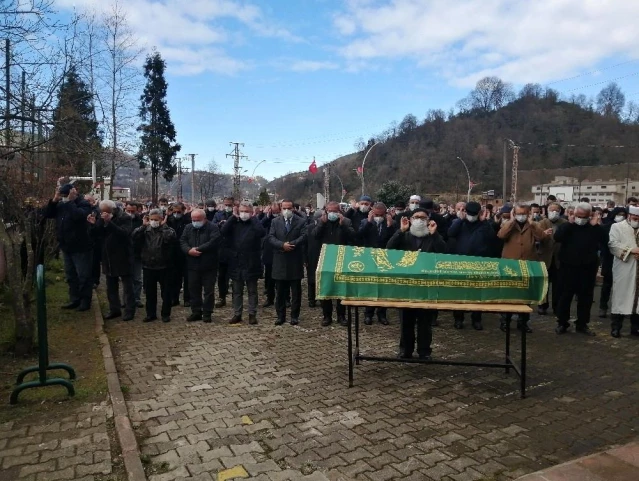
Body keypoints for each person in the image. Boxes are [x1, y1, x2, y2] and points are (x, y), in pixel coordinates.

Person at [387, 208, 446, 359]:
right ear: (411, 219)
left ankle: (424, 351)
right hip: (406, 285)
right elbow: (389, 249)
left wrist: (435, 234)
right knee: (406, 322)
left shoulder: (432, 236)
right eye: (416, 217)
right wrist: (400, 230)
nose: (419, 220)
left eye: (423, 218)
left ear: (428, 221)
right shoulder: (404, 235)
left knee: (425, 323)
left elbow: (444, 253)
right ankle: (405, 351)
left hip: (426, 286)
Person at [497, 203, 551, 333]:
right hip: (510, 265)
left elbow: (542, 237)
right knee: (508, 294)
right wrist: (511, 221)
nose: (521, 216)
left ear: (528, 214)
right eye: (518, 214)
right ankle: (505, 321)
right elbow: (501, 235)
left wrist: (532, 223)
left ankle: (523, 322)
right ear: (514, 214)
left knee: (526, 295)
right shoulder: (509, 224)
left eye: (524, 214)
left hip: (528, 264)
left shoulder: (532, 225)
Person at [554, 202, 603, 336]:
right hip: (568, 267)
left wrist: (596, 225)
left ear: (589, 215)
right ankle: (562, 323)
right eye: (578, 216)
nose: (581, 219)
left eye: (584, 216)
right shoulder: (567, 226)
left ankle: (582, 324)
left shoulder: (593, 228)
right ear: (574, 214)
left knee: (585, 298)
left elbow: (604, 240)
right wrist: (569, 223)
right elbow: (557, 237)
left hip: (587, 268)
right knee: (565, 296)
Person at [447, 201, 498, 330]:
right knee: (459, 292)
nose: (471, 216)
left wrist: (485, 221)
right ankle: (458, 318)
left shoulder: (484, 225)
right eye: (469, 213)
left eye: (474, 214)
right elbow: (450, 233)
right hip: (460, 262)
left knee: (477, 293)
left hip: (478, 263)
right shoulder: (459, 223)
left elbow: (492, 238)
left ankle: (477, 319)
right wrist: (460, 219)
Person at [44, 184, 94, 311]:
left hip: (81, 246)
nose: (64, 197)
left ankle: (85, 301)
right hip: (66, 246)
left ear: (73, 193)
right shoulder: (61, 205)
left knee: (83, 275)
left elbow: (78, 216)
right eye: (64, 195)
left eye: (66, 195)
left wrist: (71, 202)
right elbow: (47, 214)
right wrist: (54, 200)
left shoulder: (83, 204)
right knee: (71, 275)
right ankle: (74, 299)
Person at [88, 200, 135, 321]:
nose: (104, 214)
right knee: (110, 286)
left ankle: (129, 310)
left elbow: (124, 233)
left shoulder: (125, 217)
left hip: (123, 255)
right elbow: (96, 234)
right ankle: (114, 309)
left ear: (112, 210)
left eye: (106, 212)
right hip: (108, 256)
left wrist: (109, 223)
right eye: (102, 212)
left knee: (127, 286)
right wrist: (93, 225)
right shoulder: (101, 217)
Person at [221, 202, 266, 325]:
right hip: (236, 262)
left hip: (251, 262)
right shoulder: (234, 223)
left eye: (246, 211)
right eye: (242, 211)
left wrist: (254, 218)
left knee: (252, 291)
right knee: (237, 291)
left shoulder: (254, 223)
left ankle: (252, 314)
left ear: (251, 212)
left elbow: (261, 232)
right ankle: (237, 313)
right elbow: (223, 231)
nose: (244, 214)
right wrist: (232, 217)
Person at [313, 201, 355, 326]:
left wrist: (343, 226)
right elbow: (314, 235)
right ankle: (327, 316)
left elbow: (353, 236)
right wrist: (322, 223)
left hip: (341, 258)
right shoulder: (321, 221)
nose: (332, 213)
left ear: (339, 211)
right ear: (325, 211)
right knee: (326, 287)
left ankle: (341, 316)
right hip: (325, 259)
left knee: (340, 288)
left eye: (335, 211)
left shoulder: (346, 222)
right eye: (330, 211)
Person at [132, 209, 176, 322]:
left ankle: (166, 314)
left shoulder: (168, 230)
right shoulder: (145, 230)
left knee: (166, 293)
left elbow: (170, 239)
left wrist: (164, 226)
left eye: (156, 219)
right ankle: (150, 314)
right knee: (150, 293)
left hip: (164, 266)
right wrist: (143, 225)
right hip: (148, 266)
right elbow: (134, 236)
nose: (153, 222)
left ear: (161, 219)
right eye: (151, 219)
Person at [268, 199, 307, 326]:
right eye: (284, 208)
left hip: (295, 260)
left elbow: (304, 236)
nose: (287, 210)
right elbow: (271, 237)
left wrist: (291, 244)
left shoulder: (300, 221)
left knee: (296, 292)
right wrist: (281, 245)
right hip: (280, 260)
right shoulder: (275, 221)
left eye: (289, 208)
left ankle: (294, 316)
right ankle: (280, 316)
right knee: (280, 292)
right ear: (280, 208)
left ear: (293, 209)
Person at [356, 202, 396, 325]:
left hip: (385, 259)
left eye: (381, 214)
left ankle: (382, 314)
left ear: (385, 214)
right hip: (370, 258)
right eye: (376, 214)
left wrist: (389, 226)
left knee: (384, 288)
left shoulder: (391, 224)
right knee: (370, 287)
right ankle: (368, 314)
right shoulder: (365, 222)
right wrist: (369, 222)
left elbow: (393, 241)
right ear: (372, 212)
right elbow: (359, 236)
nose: (378, 216)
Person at [180, 209, 222, 323]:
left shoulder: (213, 227)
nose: (195, 222)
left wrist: (198, 249)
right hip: (192, 264)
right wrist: (188, 250)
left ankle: (207, 313)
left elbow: (214, 241)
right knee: (193, 289)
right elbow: (182, 241)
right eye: (193, 220)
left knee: (208, 291)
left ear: (204, 219)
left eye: (198, 220)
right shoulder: (188, 227)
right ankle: (196, 311)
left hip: (209, 265)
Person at [608, 206, 639, 337]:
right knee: (621, 296)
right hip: (624, 267)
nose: (636, 221)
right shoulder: (617, 227)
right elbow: (613, 244)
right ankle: (616, 327)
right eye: (635, 218)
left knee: (638, 301)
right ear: (629, 216)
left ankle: (635, 327)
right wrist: (631, 251)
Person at [537, 202, 566, 315]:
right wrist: (543, 234)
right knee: (544, 283)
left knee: (558, 285)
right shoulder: (542, 223)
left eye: (556, 211)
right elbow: (536, 238)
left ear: (560, 212)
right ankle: (542, 305)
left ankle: (556, 306)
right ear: (547, 211)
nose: (554, 213)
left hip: (559, 258)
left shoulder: (564, 223)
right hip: (544, 257)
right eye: (551, 210)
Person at [599, 207, 626, 318]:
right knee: (607, 285)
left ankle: (621, 308)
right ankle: (603, 307)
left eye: (623, 214)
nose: (621, 216)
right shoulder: (606, 227)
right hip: (609, 259)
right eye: (619, 214)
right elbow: (602, 243)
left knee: (622, 286)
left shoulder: (627, 228)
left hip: (623, 259)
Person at [167, 202, 191, 307]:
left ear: (183, 211)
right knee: (174, 277)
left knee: (187, 277)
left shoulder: (187, 221)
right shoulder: (168, 220)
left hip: (185, 252)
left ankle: (187, 299)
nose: (176, 214)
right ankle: (174, 298)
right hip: (173, 252)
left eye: (179, 212)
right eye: (174, 211)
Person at [213, 196, 234, 308]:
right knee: (221, 276)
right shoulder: (218, 214)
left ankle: (236, 298)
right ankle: (222, 296)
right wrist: (219, 223)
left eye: (229, 205)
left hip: (234, 249)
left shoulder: (236, 215)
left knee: (235, 276)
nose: (227, 207)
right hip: (221, 249)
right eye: (226, 204)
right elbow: (212, 226)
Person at [261, 203, 280, 307]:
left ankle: (285, 298)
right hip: (269, 250)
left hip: (280, 249)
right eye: (274, 212)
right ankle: (270, 297)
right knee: (269, 276)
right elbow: (261, 225)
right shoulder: (268, 219)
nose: (276, 214)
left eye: (277, 212)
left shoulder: (283, 219)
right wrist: (267, 216)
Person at [125, 202, 144, 308]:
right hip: (125, 254)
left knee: (137, 278)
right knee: (126, 278)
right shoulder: (121, 220)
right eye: (129, 211)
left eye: (133, 211)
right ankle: (127, 299)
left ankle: (136, 298)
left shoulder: (140, 221)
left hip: (137, 253)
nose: (131, 213)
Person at [305, 210, 324, 308]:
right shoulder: (309, 228)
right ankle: (311, 299)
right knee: (311, 279)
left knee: (322, 278)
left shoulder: (325, 227)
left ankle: (321, 298)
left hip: (322, 255)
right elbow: (304, 244)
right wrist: (305, 258)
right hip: (311, 255)